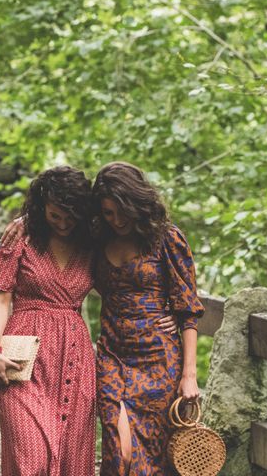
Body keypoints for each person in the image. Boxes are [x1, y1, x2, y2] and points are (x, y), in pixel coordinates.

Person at [92, 162, 203, 475]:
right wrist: (24, 219)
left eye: (121, 212)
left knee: (153, 458)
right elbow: (57, 227)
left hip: (158, 361)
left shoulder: (166, 238)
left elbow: (189, 310)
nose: (116, 220)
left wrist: (189, 375)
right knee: (119, 452)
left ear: (136, 202)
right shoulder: (98, 237)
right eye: (108, 213)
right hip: (112, 356)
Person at [0, 166, 97, 475]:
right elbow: (0, 296)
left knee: (71, 454)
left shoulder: (92, 244)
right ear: (41, 209)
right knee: (30, 456)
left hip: (74, 359)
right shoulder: (20, 237)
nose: (63, 224)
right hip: (21, 357)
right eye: (54, 216)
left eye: (70, 216)